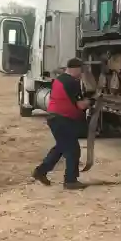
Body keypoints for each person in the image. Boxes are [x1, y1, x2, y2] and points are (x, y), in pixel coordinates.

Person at [32, 58, 93, 190]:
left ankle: (40, 172)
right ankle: (70, 181)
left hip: (55, 118)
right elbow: (81, 105)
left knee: (61, 147)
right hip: (62, 120)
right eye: (81, 70)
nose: (82, 73)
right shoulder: (72, 82)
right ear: (75, 69)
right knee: (72, 150)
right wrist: (92, 100)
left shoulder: (60, 79)